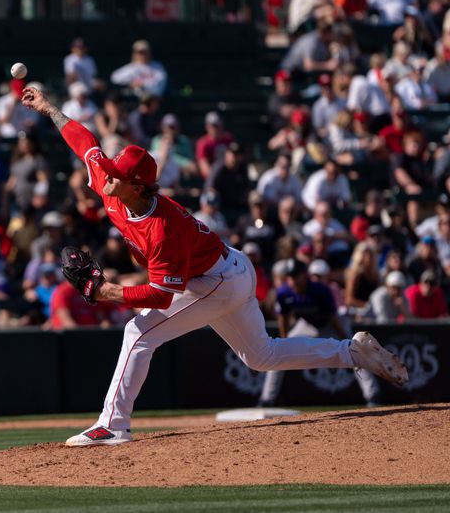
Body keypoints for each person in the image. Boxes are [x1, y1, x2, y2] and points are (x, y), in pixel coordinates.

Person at [20, 85, 407, 447]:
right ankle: (352, 353)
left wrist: (110, 293)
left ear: (138, 187)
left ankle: (113, 424)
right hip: (229, 267)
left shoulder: (162, 229)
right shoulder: (116, 185)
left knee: (138, 333)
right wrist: (47, 107)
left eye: (118, 176)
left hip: (214, 282)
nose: (108, 178)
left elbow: (161, 294)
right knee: (261, 356)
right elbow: (85, 142)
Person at [258, 259, 380, 408]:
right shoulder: (284, 292)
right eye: (290, 276)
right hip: (307, 325)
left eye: (296, 276)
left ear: (304, 275)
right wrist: (284, 340)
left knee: (354, 351)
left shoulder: (320, 290)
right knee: (277, 351)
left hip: (331, 324)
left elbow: (333, 318)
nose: (293, 280)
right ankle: (267, 399)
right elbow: (282, 317)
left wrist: (345, 341)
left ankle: (373, 395)